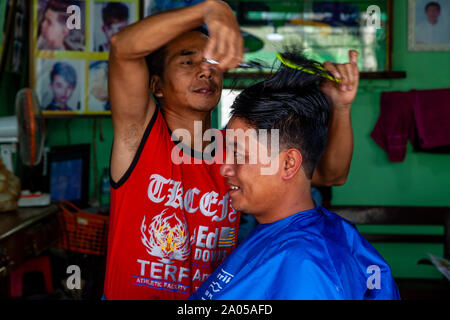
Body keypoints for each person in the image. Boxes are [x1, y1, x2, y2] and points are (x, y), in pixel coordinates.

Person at [106, 0, 358, 300]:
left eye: (212, 62)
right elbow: (122, 47)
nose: (205, 71)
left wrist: (340, 107)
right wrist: (210, 9)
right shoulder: (140, 138)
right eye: (188, 62)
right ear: (157, 85)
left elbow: (332, 174)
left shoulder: (236, 150)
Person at [190, 52, 400, 300]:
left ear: (289, 163)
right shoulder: (285, 241)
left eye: (239, 156)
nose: (225, 168)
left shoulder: (306, 265)